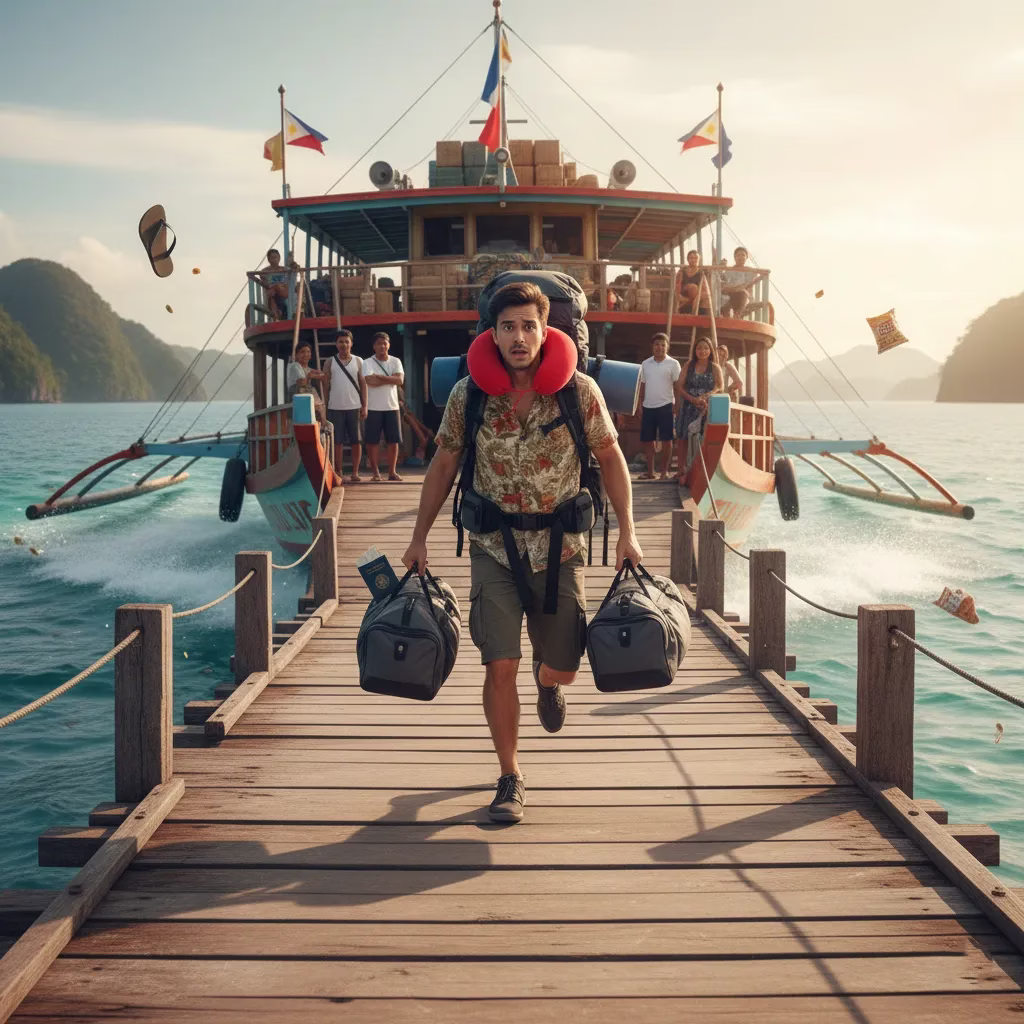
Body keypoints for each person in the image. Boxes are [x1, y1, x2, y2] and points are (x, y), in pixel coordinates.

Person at [402, 281, 642, 824]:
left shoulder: (579, 392)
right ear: (492, 332)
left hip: (560, 550)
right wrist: (418, 537)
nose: (518, 336)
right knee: (499, 662)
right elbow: (442, 465)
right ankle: (510, 775)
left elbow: (610, 458)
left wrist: (628, 530)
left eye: (528, 325)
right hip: (495, 547)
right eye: (507, 326)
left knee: (562, 666)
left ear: (545, 329)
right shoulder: (470, 395)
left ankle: (548, 681)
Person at [675, 335, 723, 480]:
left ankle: (700, 470)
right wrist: (691, 399)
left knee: (702, 438)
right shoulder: (688, 365)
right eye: (699, 348)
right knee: (682, 437)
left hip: (705, 408)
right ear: (695, 350)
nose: (702, 351)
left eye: (706, 348)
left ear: (710, 351)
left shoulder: (714, 367)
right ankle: (681, 469)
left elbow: (719, 387)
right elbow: (679, 386)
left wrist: (706, 397)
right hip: (688, 406)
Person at [323, 329, 367, 483]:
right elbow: (325, 385)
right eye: (340, 341)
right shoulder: (329, 362)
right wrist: (325, 406)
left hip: (354, 406)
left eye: (346, 341)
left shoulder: (359, 361)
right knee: (338, 441)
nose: (343, 344)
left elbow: (363, 384)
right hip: (335, 406)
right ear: (336, 344)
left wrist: (365, 406)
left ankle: (355, 472)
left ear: (351, 343)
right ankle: (339, 471)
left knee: (356, 441)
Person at [637, 333, 681, 481]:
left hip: (667, 406)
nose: (660, 347)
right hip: (648, 406)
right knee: (648, 440)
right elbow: (642, 386)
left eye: (663, 345)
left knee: (667, 440)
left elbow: (677, 387)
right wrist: (639, 405)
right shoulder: (645, 364)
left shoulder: (673, 364)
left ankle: (664, 471)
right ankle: (650, 472)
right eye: (657, 344)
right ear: (652, 347)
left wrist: (677, 406)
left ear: (667, 347)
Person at [362, 332, 405, 482]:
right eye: (379, 343)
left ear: (389, 345)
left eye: (385, 343)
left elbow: (399, 380)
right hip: (373, 407)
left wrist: (380, 377)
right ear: (374, 346)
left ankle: (392, 472)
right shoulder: (367, 362)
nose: (382, 346)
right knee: (372, 441)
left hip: (392, 407)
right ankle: (376, 473)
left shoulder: (396, 361)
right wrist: (390, 379)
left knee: (393, 440)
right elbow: (369, 380)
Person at [286, 341, 327, 422]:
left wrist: (318, 374)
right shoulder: (294, 366)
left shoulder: (308, 369)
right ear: (297, 355)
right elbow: (302, 382)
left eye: (308, 352)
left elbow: (324, 375)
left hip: (310, 402)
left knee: (320, 415)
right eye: (302, 352)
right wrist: (311, 377)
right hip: (300, 400)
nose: (306, 354)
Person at [258, 248, 298, 320]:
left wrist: (293, 264)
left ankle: (279, 314)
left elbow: (294, 271)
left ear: (279, 258)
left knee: (276, 288)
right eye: (272, 258)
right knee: (272, 296)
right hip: (273, 294)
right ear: (269, 259)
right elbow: (265, 283)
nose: (275, 259)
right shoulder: (264, 271)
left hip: (284, 292)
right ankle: (276, 317)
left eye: (276, 257)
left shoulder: (284, 270)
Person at [720, 247, 757, 318]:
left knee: (744, 294)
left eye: (743, 255)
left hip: (742, 296)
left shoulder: (749, 271)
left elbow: (748, 284)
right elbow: (724, 285)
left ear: (746, 258)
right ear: (735, 257)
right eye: (738, 255)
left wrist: (740, 288)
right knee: (725, 305)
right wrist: (722, 267)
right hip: (731, 295)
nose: (741, 257)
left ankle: (737, 315)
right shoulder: (729, 271)